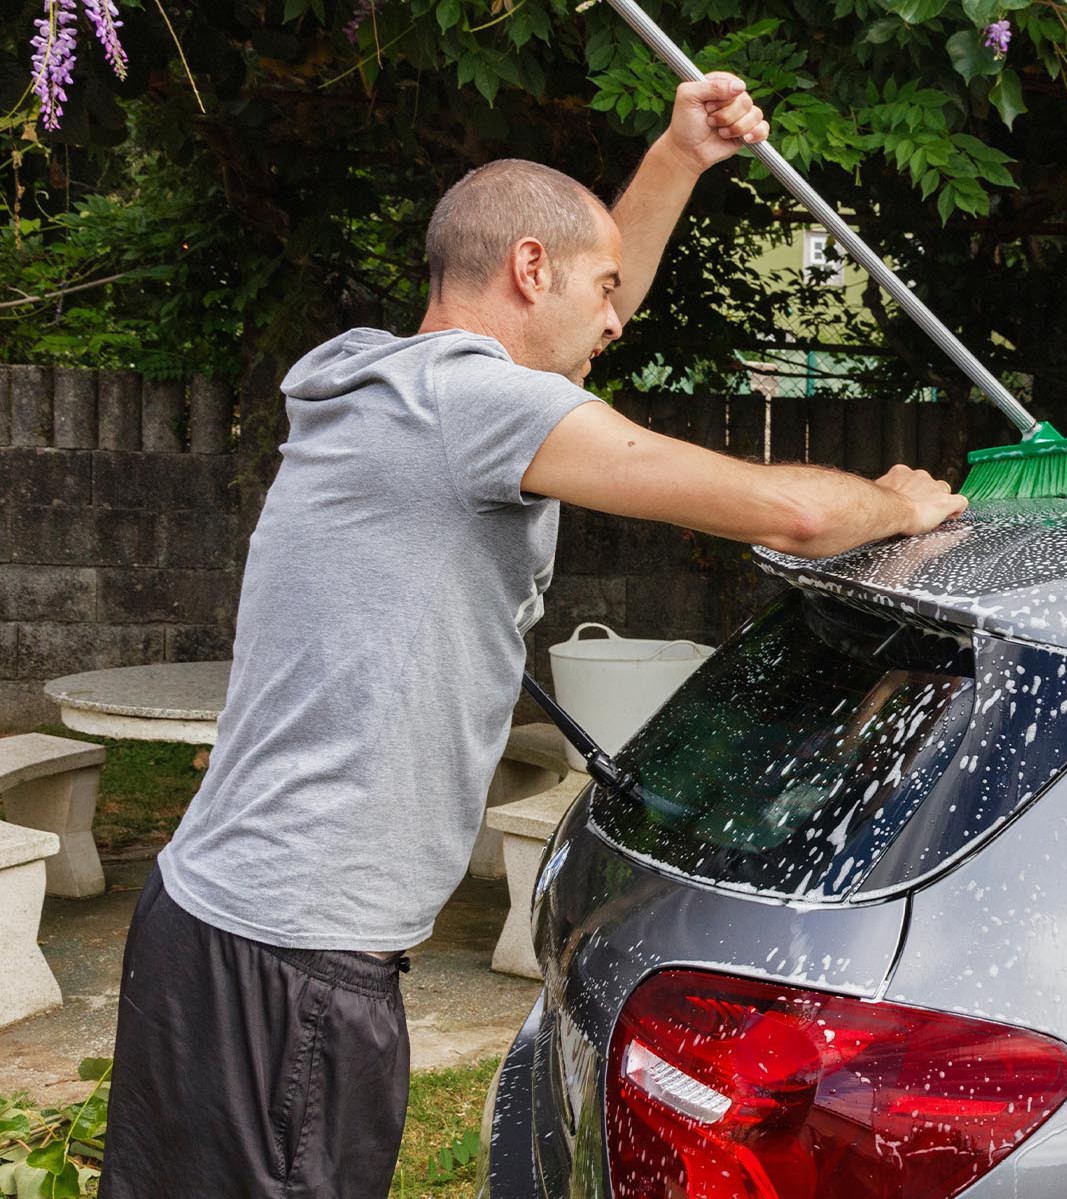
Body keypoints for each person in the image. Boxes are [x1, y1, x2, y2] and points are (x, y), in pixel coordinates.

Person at [99, 72, 967, 1197]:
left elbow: (587, 318)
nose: (618, 316)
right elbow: (793, 514)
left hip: (218, 925)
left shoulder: (389, 387)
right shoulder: (473, 407)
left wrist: (679, 155)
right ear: (526, 270)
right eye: (602, 288)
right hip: (290, 964)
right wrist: (897, 503)